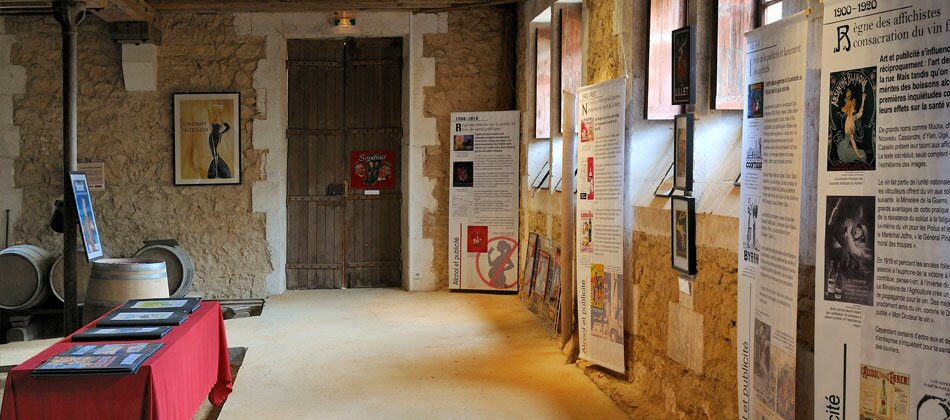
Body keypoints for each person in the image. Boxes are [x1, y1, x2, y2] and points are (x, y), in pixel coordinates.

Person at [834, 87, 869, 164]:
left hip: (847, 146)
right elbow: (853, 141)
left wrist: (863, 99)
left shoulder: (852, 118)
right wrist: (858, 155)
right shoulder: (849, 123)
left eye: (853, 105)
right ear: (849, 109)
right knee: (862, 153)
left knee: (862, 153)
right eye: (852, 106)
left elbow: (860, 113)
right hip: (845, 149)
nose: (853, 107)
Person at [207, 104, 232, 179]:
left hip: (216, 136)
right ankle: (217, 170)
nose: (215, 112)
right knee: (213, 153)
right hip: (211, 136)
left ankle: (219, 170)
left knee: (215, 153)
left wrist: (222, 133)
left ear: (219, 112)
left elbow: (228, 127)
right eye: (214, 111)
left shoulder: (221, 120)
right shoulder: (214, 120)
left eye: (216, 111)